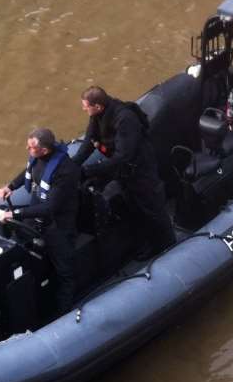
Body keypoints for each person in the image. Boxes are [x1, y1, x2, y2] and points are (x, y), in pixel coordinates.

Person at [73, 86, 176, 260]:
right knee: (134, 206)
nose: (84, 109)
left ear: (97, 106)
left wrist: (88, 171)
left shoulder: (125, 119)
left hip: (140, 169)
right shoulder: (97, 117)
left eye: (86, 106)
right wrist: (72, 167)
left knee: (152, 208)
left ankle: (167, 244)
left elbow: (123, 156)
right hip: (123, 172)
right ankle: (147, 241)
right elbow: (88, 144)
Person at [0, 128, 80, 314]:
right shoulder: (37, 158)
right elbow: (29, 171)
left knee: (65, 271)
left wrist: (15, 213)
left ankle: (64, 311)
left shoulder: (65, 171)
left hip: (58, 224)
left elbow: (51, 208)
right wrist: (10, 186)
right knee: (24, 250)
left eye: (31, 147)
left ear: (44, 150)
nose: (27, 148)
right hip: (36, 215)